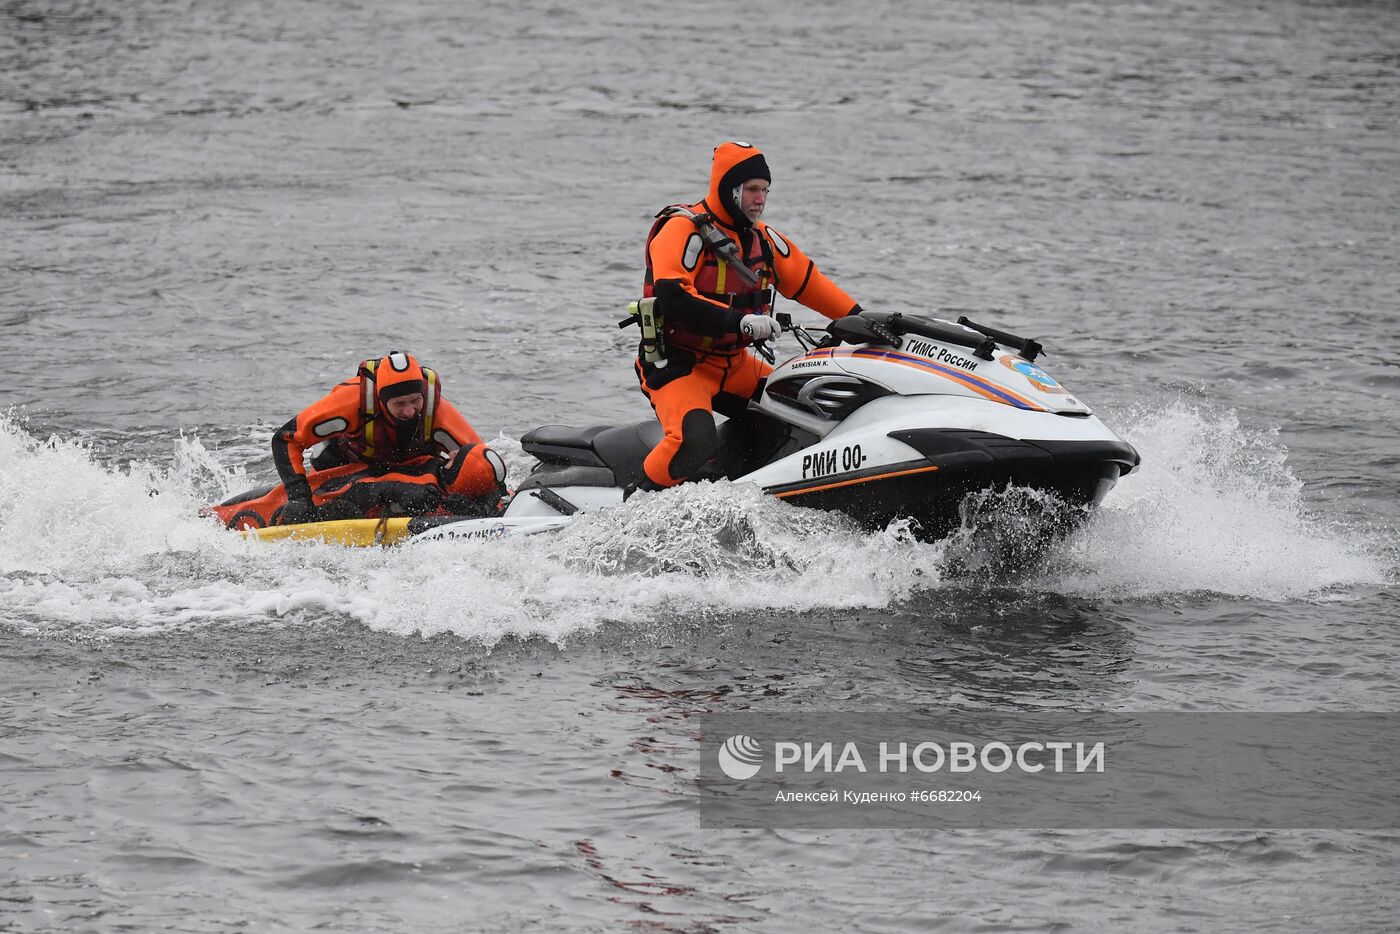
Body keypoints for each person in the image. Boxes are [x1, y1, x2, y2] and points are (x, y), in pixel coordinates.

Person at [636, 140, 864, 489]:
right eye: (753, 190)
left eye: (766, 191)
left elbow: (810, 285)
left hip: (733, 364)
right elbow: (673, 299)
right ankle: (629, 508)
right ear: (730, 189)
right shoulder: (680, 229)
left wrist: (864, 321)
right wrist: (740, 321)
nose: (761, 199)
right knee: (693, 442)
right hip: (679, 365)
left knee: (808, 417)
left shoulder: (764, 240)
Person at [269, 351, 505, 524]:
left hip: (410, 471)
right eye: (400, 404)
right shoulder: (351, 401)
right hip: (344, 463)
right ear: (382, 401)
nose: (411, 411)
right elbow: (285, 438)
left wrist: (486, 504)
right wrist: (299, 497)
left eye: (415, 400)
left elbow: (479, 463)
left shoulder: (437, 412)